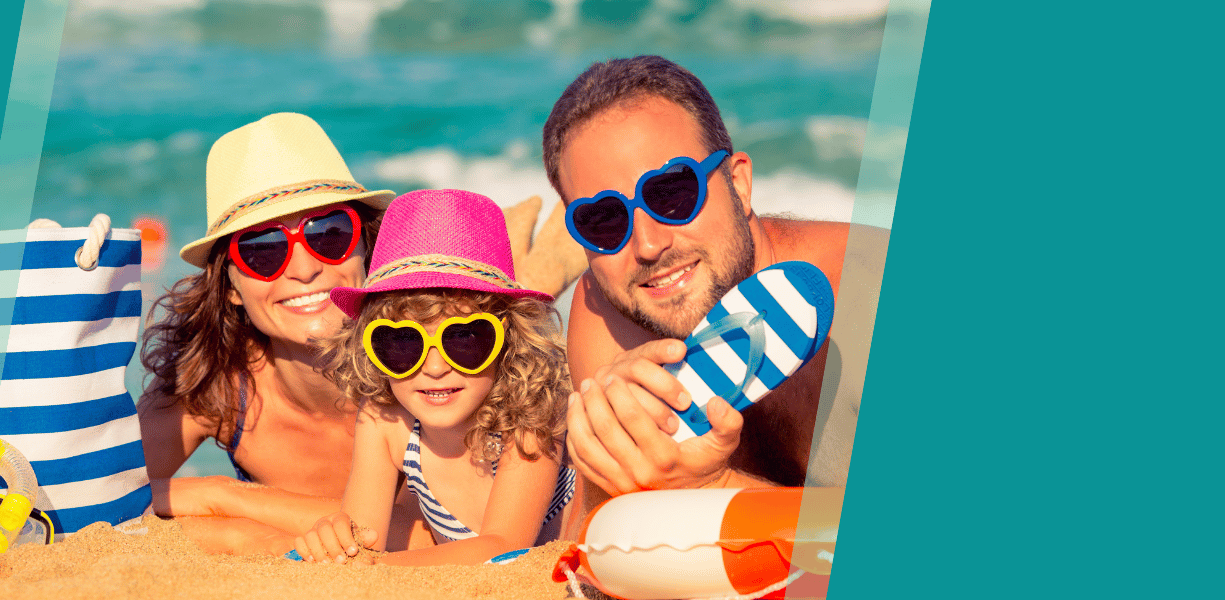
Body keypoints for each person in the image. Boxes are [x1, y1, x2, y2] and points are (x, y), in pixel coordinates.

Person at [544, 56, 883, 504]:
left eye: (671, 193)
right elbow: (605, 529)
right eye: (603, 221)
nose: (646, 245)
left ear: (739, 184)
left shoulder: (871, 296)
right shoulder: (609, 310)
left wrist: (714, 489)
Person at [138, 113, 433, 554]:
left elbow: (427, 534)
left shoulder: (431, 361)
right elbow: (97, 502)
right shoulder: (218, 387)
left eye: (328, 233)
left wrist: (225, 497)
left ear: (365, 248)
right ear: (231, 286)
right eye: (263, 249)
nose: (305, 268)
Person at [291, 189, 575, 566]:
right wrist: (336, 540)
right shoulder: (384, 419)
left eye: (464, 338)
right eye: (402, 343)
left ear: (508, 340)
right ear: (369, 346)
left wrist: (371, 568)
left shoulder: (534, 412)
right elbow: (363, 537)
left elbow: (504, 547)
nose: (436, 368)